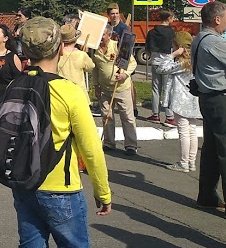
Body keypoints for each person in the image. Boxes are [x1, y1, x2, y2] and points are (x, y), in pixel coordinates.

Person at [10, 18, 112, 248]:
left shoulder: (16, 85)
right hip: (62, 188)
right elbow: (91, 149)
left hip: (25, 186)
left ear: (25, 50)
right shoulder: (68, 91)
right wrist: (103, 191)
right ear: (58, 47)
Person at [190, 1, 226, 222]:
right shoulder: (215, 41)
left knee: (213, 149)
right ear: (216, 19)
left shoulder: (200, 38)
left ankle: (207, 195)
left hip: (210, 98)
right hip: (223, 100)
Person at [155, 32, 201, 173]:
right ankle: (191, 162)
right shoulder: (194, 60)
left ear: (179, 46)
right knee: (192, 130)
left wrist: (173, 54)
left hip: (180, 100)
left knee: (183, 132)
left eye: (174, 45)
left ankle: (183, 163)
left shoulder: (181, 62)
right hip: (193, 99)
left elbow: (161, 68)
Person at [92, 25, 138, 155]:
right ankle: (109, 142)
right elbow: (95, 69)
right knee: (107, 116)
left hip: (121, 87)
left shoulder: (119, 46)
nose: (101, 38)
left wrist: (125, 74)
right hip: (104, 89)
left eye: (103, 35)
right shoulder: (95, 49)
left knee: (127, 117)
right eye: (99, 35)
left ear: (109, 35)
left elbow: (132, 63)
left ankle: (130, 145)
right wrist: (96, 86)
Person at [146, 10, 176, 126]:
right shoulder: (172, 33)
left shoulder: (152, 32)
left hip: (155, 62)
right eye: (172, 17)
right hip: (167, 64)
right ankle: (169, 117)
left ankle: (155, 115)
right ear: (168, 18)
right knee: (167, 89)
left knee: (155, 89)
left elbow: (148, 49)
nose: (173, 19)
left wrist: (154, 57)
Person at [57, 24, 94, 102]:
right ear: (75, 39)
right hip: (79, 94)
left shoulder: (56, 54)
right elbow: (91, 67)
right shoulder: (82, 55)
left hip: (61, 94)